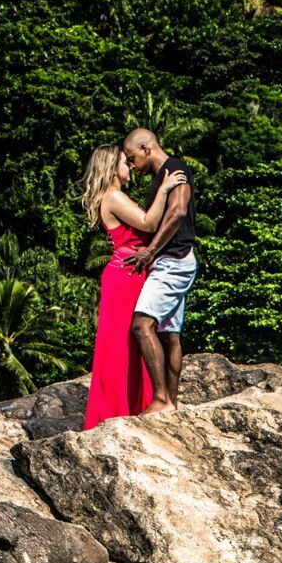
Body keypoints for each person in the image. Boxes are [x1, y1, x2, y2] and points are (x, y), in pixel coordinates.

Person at [81, 146, 188, 431]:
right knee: (122, 345)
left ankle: (140, 403)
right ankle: (116, 411)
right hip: (124, 275)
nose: (129, 166)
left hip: (132, 273)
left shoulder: (118, 196)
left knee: (134, 343)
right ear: (111, 168)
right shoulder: (113, 196)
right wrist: (165, 189)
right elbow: (149, 223)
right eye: (123, 162)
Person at [122, 128, 197, 415]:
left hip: (172, 261)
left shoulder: (175, 168)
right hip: (176, 260)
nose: (131, 166)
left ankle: (162, 399)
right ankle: (171, 404)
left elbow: (178, 212)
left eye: (132, 159)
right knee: (170, 335)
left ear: (145, 148)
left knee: (142, 326)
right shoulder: (165, 174)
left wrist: (151, 251)